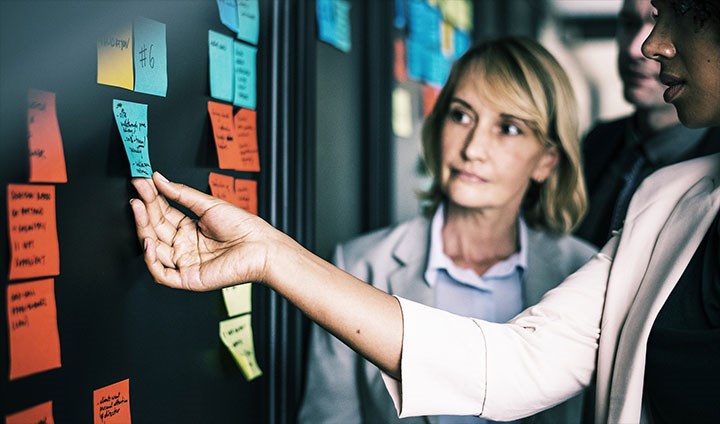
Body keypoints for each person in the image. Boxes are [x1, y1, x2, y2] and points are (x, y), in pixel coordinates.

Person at [129, 2, 720, 422]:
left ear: (546, 157)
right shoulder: (667, 204)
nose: (650, 43)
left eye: (679, 9)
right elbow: (515, 365)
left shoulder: (578, 259)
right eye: (461, 116)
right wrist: (269, 252)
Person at [298, 38, 597, 424]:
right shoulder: (358, 265)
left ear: (546, 160)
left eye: (507, 128)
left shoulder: (586, 276)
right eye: (461, 115)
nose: (473, 148)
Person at [575, 0, 720, 248]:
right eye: (628, 24)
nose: (637, 48)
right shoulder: (594, 143)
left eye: (665, 22)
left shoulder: (713, 170)